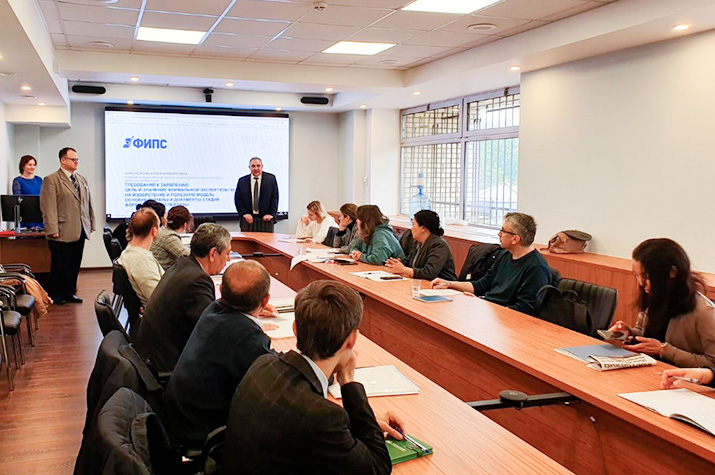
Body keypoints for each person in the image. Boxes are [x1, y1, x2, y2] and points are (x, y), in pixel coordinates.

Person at [224, 280, 405, 474]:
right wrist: (348, 381)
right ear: (352, 339)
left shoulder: (263, 364)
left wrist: (361, 425)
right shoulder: (323, 417)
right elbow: (378, 468)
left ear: (295, 328)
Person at [165, 260, 276, 447]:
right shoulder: (245, 336)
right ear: (265, 301)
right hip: (203, 432)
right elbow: (275, 382)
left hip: (180, 416)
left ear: (222, 290)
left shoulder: (214, 309)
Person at [135, 223, 231, 373]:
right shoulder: (197, 280)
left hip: (154, 356)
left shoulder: (183, 265)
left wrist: (238, 305)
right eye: (227, 253)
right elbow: (213, 330)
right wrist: (247, 316)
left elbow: (208, 316)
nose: (229, 259)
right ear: (213, 254)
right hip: (169, 365)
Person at [608, 239, 715, 369]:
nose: (641, 283)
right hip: (652, 371)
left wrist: (664, 350)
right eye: (636, 275)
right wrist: (629, 333)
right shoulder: (653, 297)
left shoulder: (704, 311)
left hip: (681, 378)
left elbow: (712, 363)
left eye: (647, 277)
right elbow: (646, 335)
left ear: (672, 272)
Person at [430, 212, 551, 316]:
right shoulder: (504, 255)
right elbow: (482, 285)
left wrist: (484, 306)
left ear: (515, 239)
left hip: (507, 320)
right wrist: (449, 284)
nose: (499, 234)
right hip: (490, 311)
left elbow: (524, 309)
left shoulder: (536, 268)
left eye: (503, 231)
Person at [40, 147, 95, 305]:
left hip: (80, 229)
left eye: (77, 159)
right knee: (60, 264)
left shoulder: (81, 179)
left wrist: (90, 223)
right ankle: (56, 294)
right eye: (73, 159)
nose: (76, 162)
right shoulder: (52, 180)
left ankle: (70, 292)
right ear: (63, 160)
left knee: (74, 263)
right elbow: (48, 207)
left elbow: (88, 203)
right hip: (62, 230)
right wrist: (52, 229)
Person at [386, 209, 457, 281]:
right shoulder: (418, 242)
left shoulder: (439, 245)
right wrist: (398, 263)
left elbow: (429, 273)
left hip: (443, 285)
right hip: (423, 282)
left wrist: (404, 270)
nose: (411, 228)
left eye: (413, 224)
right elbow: (411, 263)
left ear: (422, 228)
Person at [117, 208, 164, 306]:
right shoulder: (142, 260)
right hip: (163, 312)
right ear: (154, 231)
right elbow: (160, 299)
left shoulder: (129, 252)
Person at [234, 157, 278, 232]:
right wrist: (244, 213)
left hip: (266, 219)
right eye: (253, 166)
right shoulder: (242, 181)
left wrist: (271, 214)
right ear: (249, 167)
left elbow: (275, 198)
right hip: (248, 220)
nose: (256, 168)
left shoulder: (271, 179)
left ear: (262, 166)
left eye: (258, 166)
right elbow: (238, 199)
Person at [151, 205, 193, 270]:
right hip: (163, 273)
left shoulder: (161, 230)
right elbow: (190, 257)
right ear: (185, 224)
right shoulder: (169, 237)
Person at [12, 155, 44, 229]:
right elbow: (17, 199)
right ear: (23, 166)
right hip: (26, 216)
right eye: (29, 165)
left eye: (34, 165)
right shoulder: (18, 181)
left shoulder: (39, 180)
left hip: (40, 214)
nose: (32, 167)